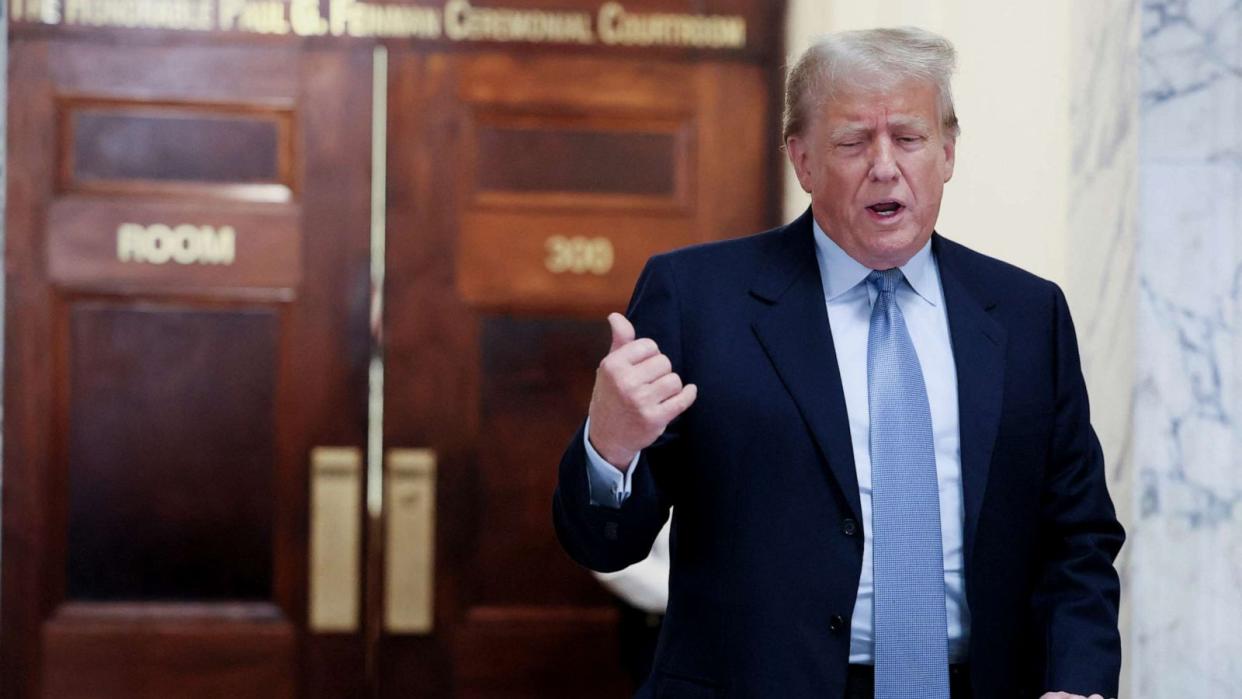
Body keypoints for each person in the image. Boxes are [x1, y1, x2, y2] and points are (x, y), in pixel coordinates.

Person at [552, 26, 1123, 699]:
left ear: (947, 152)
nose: (885, 166)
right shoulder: (697, 299)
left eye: (908, 138)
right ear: (803, 161)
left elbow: (1078, 540)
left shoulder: (1029, 315)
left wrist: (1077, 682)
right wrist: (610, 447)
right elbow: (603, 543)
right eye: (853, 141)